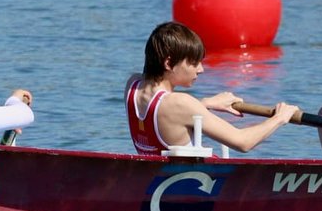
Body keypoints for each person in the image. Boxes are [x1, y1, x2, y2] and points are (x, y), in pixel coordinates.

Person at [125, 22, 298, 155]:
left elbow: (166, 111)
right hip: (195, 184)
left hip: (159, 177)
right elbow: (243, 142)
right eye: (194, 63)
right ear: (169, 63)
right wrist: (279, 118)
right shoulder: (181, 103)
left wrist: (206, 103)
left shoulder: (133, 86)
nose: (201, 69)